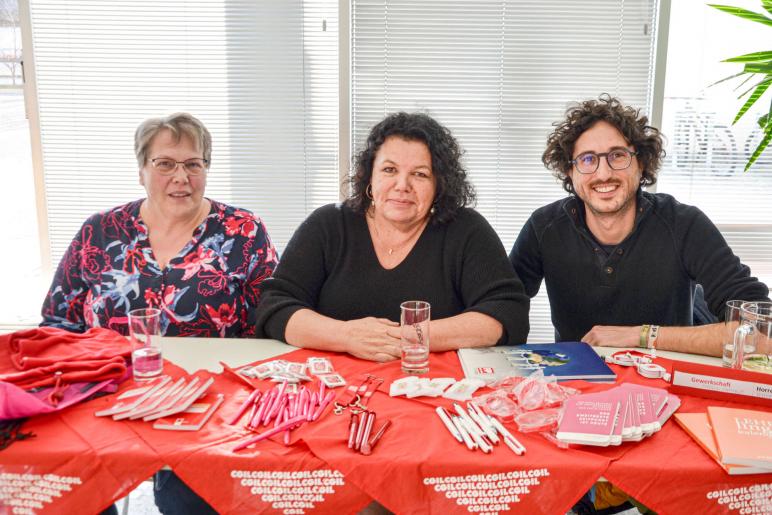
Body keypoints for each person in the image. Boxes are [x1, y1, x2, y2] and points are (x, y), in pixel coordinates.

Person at [40, 112, 278, 514]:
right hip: (107, 397)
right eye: (165, 163)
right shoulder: (99, 231)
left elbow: (270, 320)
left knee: (191, 500)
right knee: (72, 493)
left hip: (207, 404)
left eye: (193, 164)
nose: (180, 177)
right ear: (141, 171)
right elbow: (57, 321)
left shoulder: (243, 230)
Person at [509, 95, 769, 357]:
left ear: (641, 163)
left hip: (668, 374)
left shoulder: (684, 224)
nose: (603, 173)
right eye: (587, 159)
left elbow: (762, 334)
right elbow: (501, 308)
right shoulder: (544, 228)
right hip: (580, 380)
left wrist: (639, 335)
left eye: (618, 156)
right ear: (570, 171)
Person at [256, 112, 529, 359]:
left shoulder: (466, 230)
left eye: (420, 174)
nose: (402, 186)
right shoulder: (328, 224)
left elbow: (507, 312)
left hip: (434, 384)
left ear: (439, 185)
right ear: (369, 178)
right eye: (389, 170)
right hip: (329, 385)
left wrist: (410, 337)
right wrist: (347, 336)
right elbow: (275, 307)